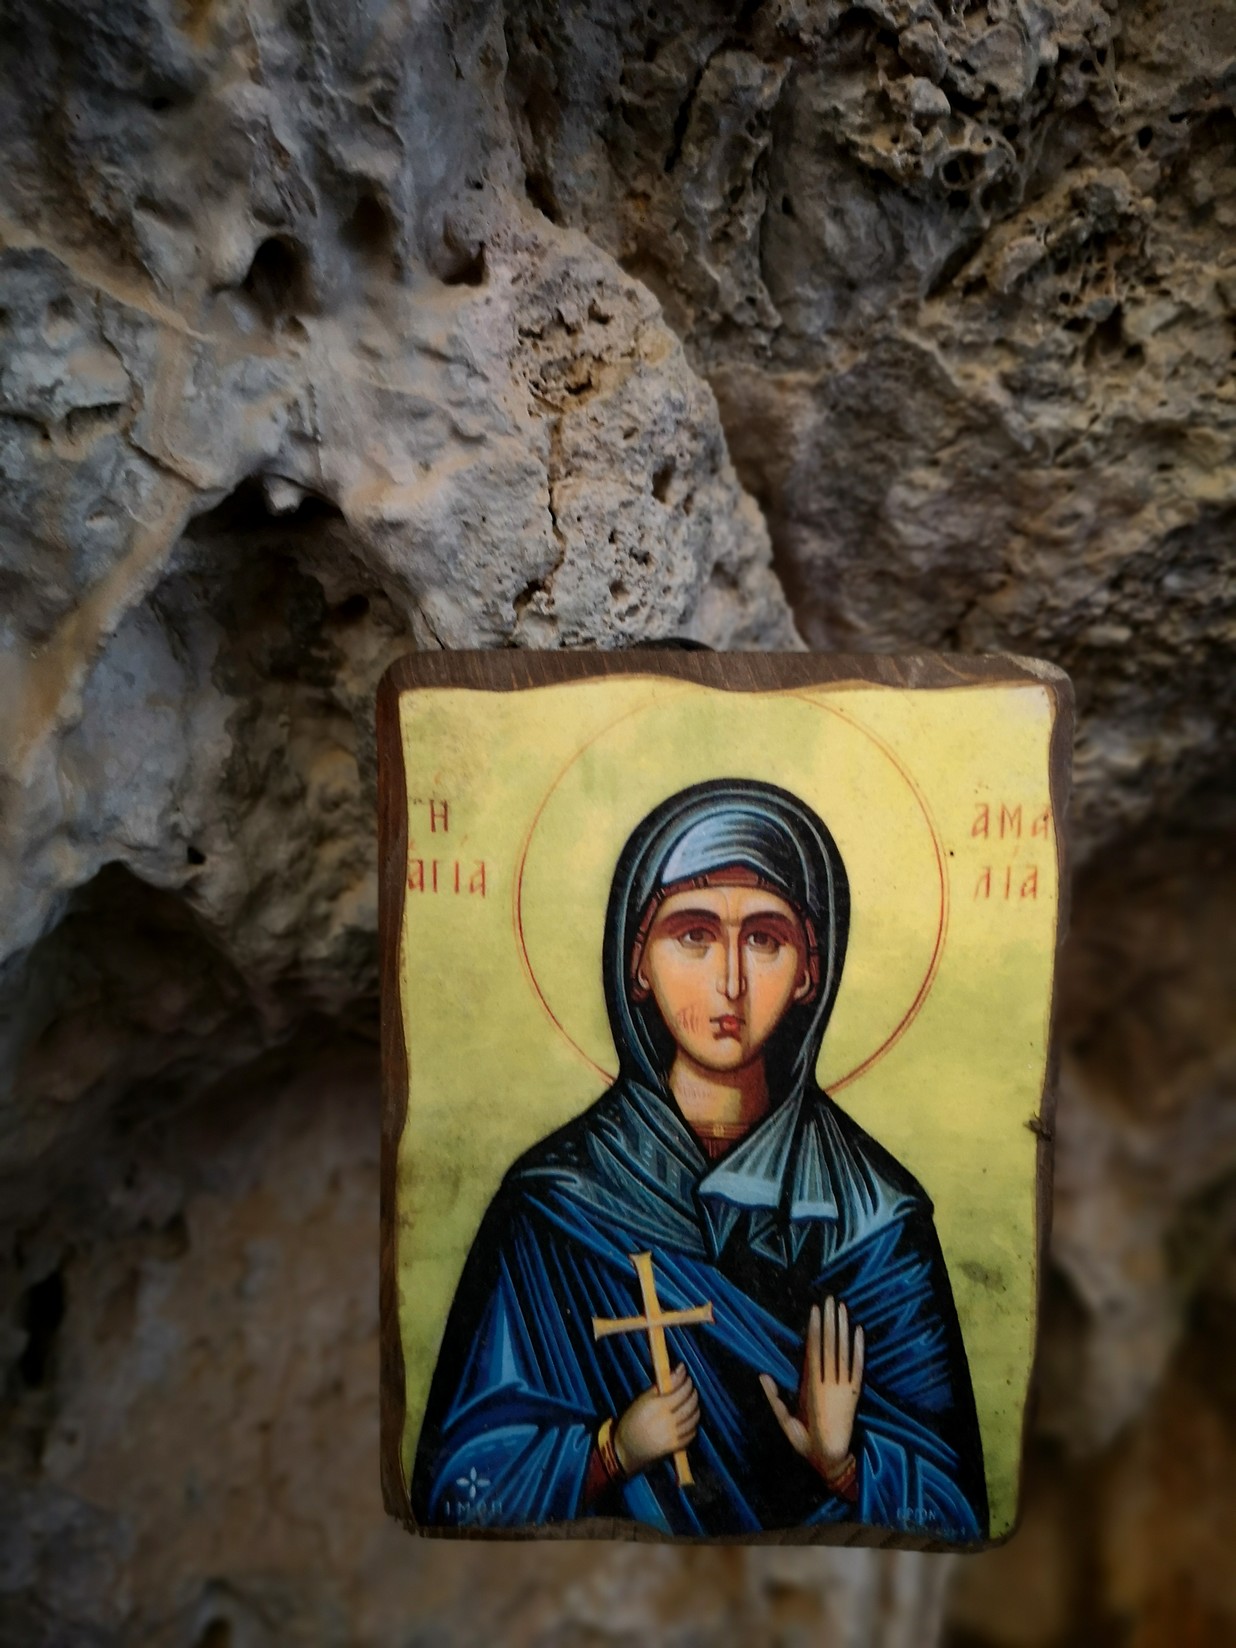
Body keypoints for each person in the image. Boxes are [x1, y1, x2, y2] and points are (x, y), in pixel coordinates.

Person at [410, 779, 989, 1539]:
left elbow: (955, 1510)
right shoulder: (555, 1204)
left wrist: (845, 1466)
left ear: (810, 971)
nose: (731, 982)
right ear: (638, 963)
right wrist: (609, 1452)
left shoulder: (874, 1217)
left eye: (765, 939)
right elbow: (458, 1490)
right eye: (693, 935)